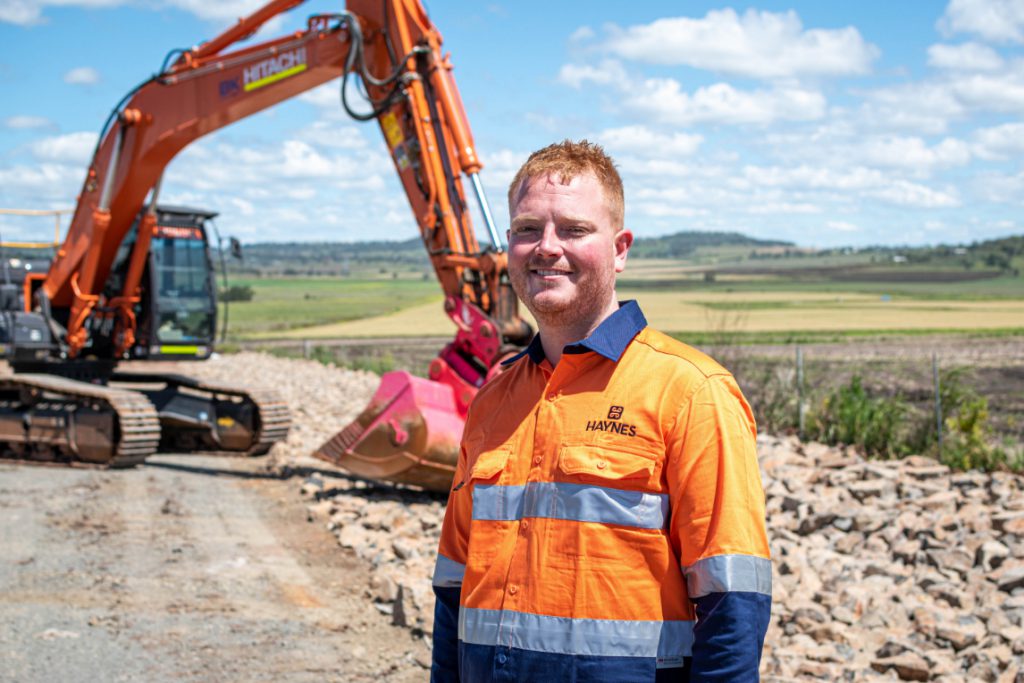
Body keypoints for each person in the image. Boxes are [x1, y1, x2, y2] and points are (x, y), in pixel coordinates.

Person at [431, 140, 771, 682]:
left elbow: (733, 601)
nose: (545, 247)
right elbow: (453, 589)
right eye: (526, 229)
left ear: (619, 249)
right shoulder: (493, 402)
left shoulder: (690, 392)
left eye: (572, 229)